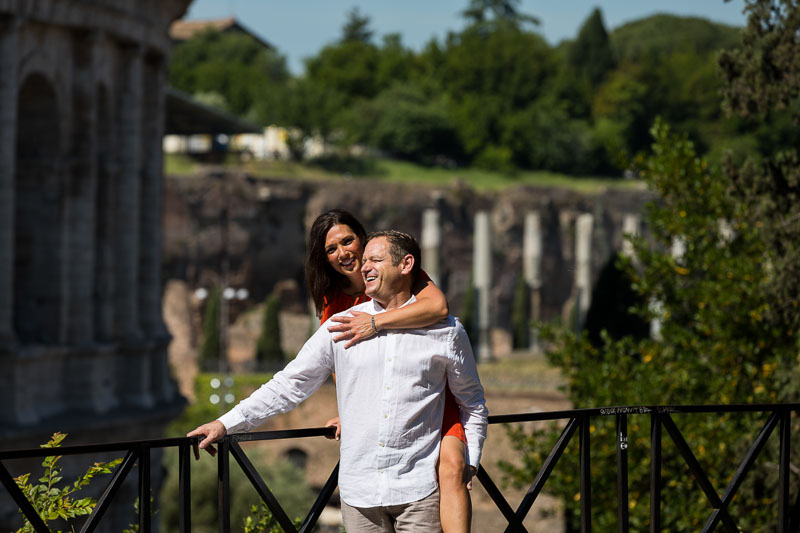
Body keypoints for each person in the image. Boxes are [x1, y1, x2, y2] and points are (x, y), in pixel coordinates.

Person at [188, 230, 488, 533]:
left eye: (376, 260)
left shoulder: (447, 333)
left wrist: (470, 461)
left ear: (406, 264)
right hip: (359, 496)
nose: (364, 267)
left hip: (419, 491)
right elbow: (289, 385)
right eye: (364, 260)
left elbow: (472, 404)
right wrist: (226, 423)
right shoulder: (339, 325)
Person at [305, 209, 474, 532]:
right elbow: (339, 363)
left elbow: (438, 308)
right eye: (330, 249)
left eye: (348, 241)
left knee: (452, 466)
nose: (342, 253)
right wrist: (347, 411)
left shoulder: (406, 273)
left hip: (427, 392)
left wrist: (374, 323)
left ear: (362, 238)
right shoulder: (332, 298)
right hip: (378, 406)